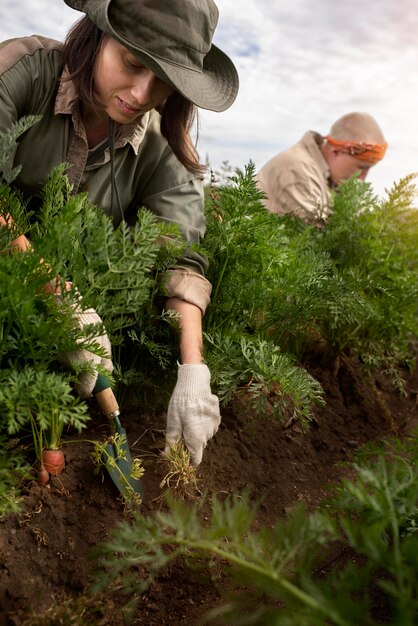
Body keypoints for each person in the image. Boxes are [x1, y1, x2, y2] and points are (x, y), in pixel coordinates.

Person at [0, 0, 239, 466]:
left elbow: (180, 254)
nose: (142, 93)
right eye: (134, 63)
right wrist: (49, 286)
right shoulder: (19, 72)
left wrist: (193, 366)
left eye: (164, 81)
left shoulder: (161, 144)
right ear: (97, 34)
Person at [256, 112, 387, 224]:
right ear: (337, 151)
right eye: (361, 167)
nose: (363, 177)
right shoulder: (298, 171)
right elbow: (318, 242)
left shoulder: (330, 176)